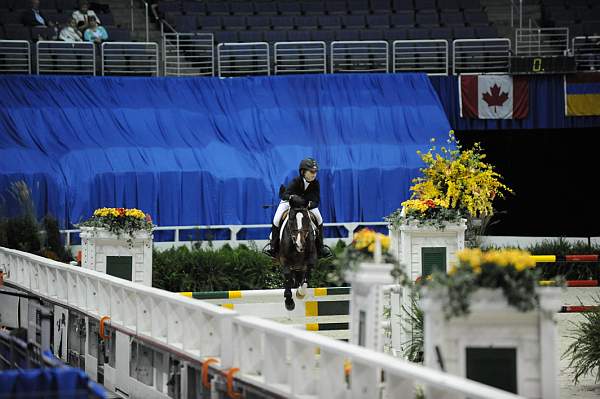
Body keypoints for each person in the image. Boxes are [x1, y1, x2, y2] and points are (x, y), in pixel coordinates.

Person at [267, 158, 332, 259]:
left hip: (306, 205)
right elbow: (285, 195)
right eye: (311, 171)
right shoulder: (296, 181)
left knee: (319, 219)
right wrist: (292, 198)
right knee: (276, 219)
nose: (314, 174)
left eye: (315, 172)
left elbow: (316, 201)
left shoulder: (316, 183)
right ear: (303, 172)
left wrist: (307, 204)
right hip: (289, 204)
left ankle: (320, 247)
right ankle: (273, 247)